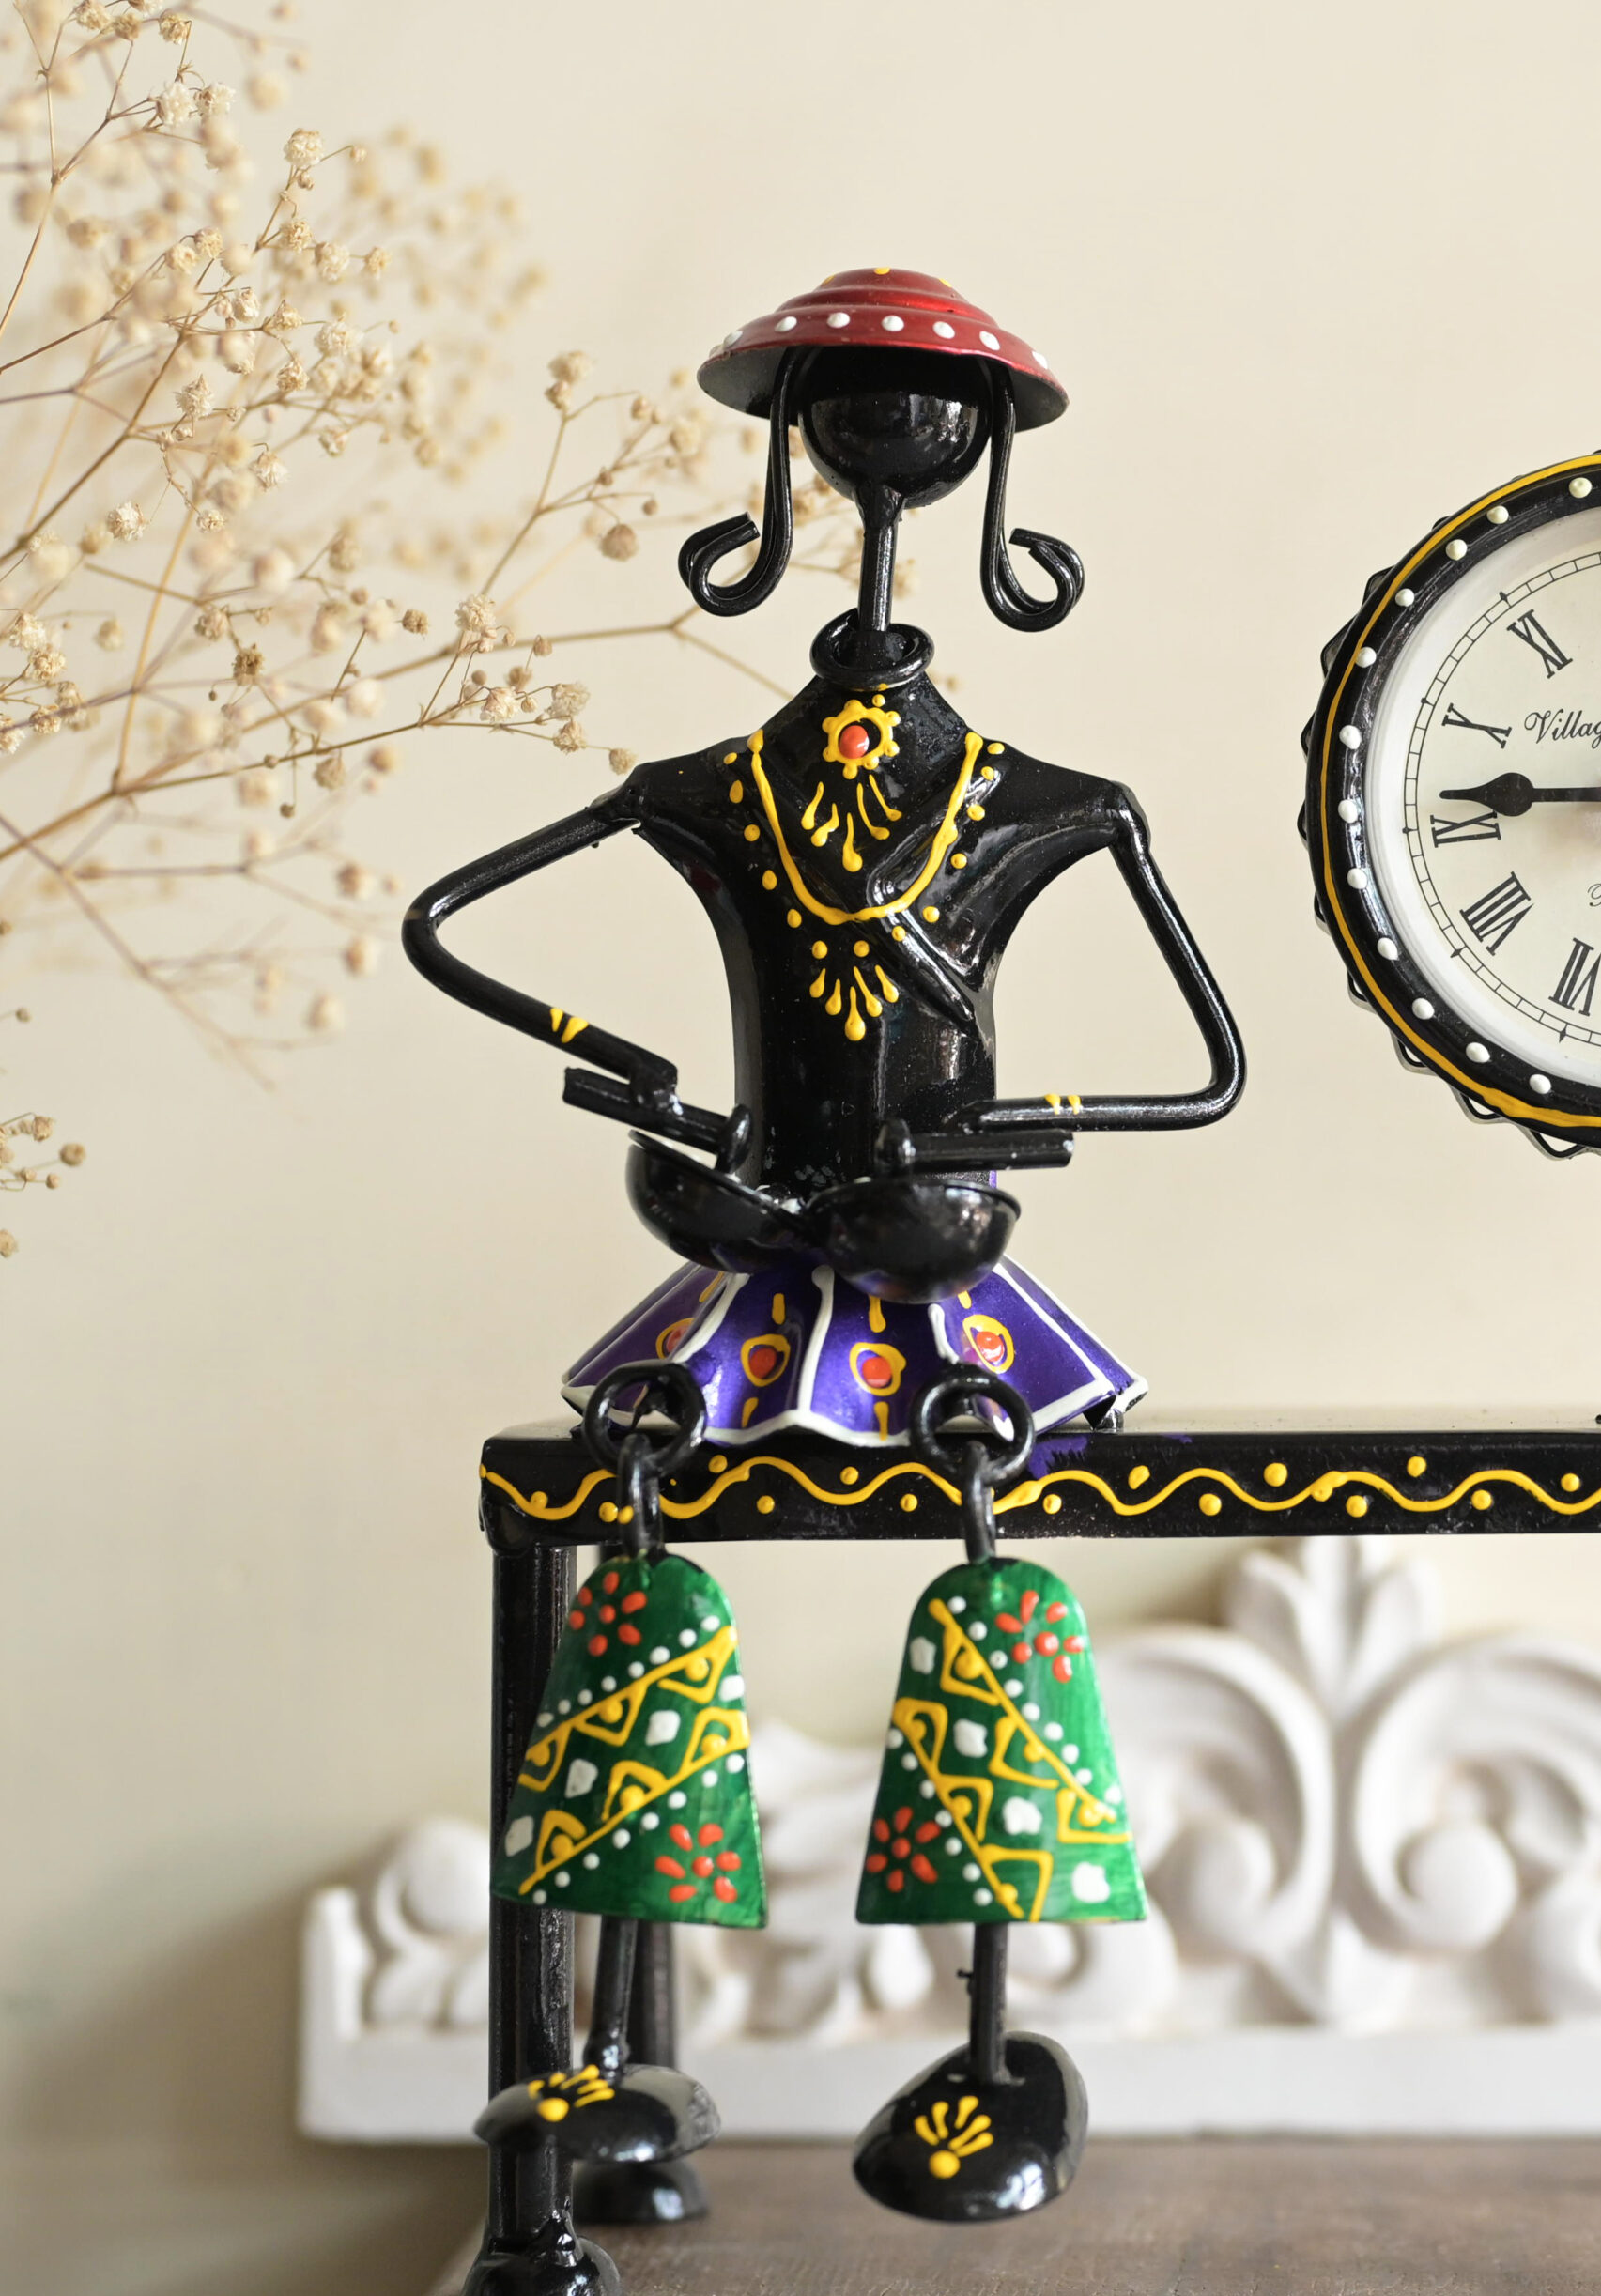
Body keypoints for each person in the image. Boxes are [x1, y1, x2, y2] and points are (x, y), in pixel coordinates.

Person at [406, 268, 1243, 1445]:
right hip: (752, 1222)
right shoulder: (706, 789)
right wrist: (626, 1064)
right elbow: (434, 922)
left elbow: (1213, 1077)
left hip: (932, 1242)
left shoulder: (1058, 806)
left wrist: (998, 1126)